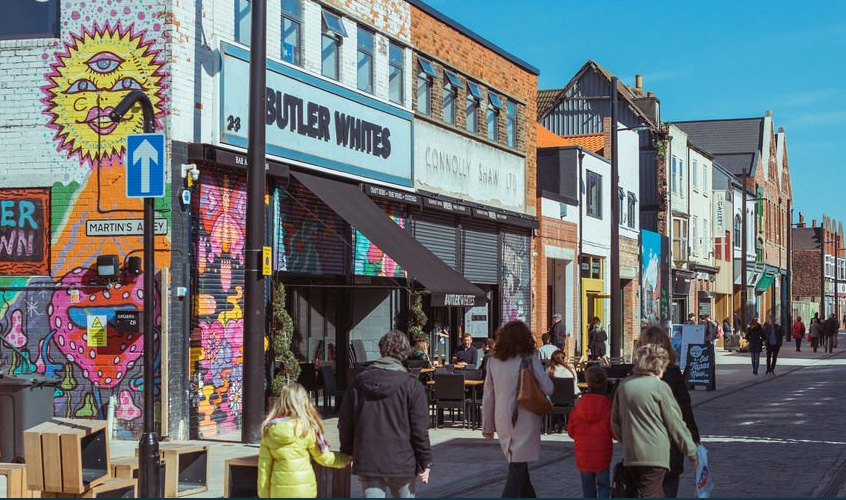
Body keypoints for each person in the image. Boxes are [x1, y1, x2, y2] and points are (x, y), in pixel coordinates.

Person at [338, 331, 432, 498]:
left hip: (368, 458)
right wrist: (425, 461)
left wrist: (347, 451)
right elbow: (420, 429)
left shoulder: (358, 383)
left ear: (381, 350)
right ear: (404, 353)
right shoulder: (411, 385)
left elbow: (345, 422)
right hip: (402, 460)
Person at [611, 344, 697, 498]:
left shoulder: (624, 386)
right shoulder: (659, 387)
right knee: (652, 494)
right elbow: (675, 424)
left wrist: (627, 440)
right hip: (656, 455)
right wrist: (691, 452)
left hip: (632, 455)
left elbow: (615, 422)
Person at [482, 320, 553, 498]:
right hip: (525, 417)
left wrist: (487, 427)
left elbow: (488, 396)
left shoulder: (493, 362)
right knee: (518, 466)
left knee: (519, 464)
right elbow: (548, 387)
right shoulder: (529, 358)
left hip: (503, 418)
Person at [635, 325, 700, 498]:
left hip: (640, 449)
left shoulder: (632, 379)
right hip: (669, 446)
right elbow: (684, 411)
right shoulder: (672, 375)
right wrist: (694, 441)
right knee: (669, 484)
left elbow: (617, 420)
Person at [258, 383, 352, 498]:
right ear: (304, 402)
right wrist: (345, 459)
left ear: (281, 401)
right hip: (304, 489)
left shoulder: (269, 430)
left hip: (278, 490)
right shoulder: (307, 429)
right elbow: (324, 458)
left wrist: (263, 494)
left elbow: (264, 468)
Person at [567, 367, 614, 498]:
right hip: (602, 452)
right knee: (604, 485)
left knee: (587, 487)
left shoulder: (579, 405)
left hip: (583, 453)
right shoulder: (608, 404)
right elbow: (614, 430)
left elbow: (571, 430)